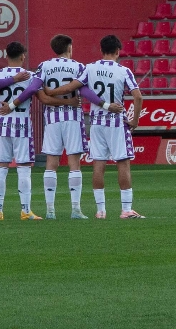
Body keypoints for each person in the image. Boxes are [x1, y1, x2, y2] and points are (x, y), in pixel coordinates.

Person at [77, 34, 144, 218]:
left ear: (101, 50)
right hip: (116, 123)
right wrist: (135, 120)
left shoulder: (90, 68)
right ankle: (126, 209)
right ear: (118, 51)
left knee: (98, 164)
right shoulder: (123, 71)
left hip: (96, 123)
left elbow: (79, 86)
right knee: (123, 163)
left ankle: (100, 211)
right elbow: (138, 96)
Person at [0, 42, 47, 220]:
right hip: (22, 123)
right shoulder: (30, 76)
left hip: (2, 123)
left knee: (1, 168)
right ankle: (25, 210)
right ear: (23, 56)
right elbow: (37, 92)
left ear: (6, 55)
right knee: (23, 168)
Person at [36, 34, 94, 219]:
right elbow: (85, 89)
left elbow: (41, 95)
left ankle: (50, 210)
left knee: (51, 163)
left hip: (52, 119)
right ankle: (75, 209)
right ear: (69, 47)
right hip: (73, 119)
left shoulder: (44, 66)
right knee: (74, 163)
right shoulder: (78, 67)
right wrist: (69, 102)